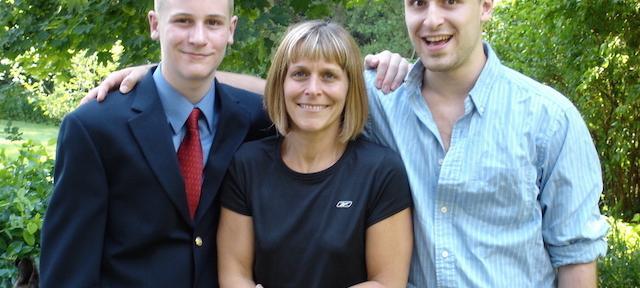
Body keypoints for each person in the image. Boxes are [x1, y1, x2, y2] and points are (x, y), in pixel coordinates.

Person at [87, 0, 610, 287]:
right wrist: (170, 75)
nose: (432, 19)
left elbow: (576, 260)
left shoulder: (548, 118)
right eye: (418, 2)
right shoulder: (386, 98)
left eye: (451, 1)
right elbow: (296, 85)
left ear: (487, 6)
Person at [39, 0, 273, 286]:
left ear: (231, 29)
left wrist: (157, 66)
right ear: (155, 24)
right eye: (183, 21)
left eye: (213, 23)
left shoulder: (255, 120)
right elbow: (68, 270)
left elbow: (308, 96)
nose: (198, 38)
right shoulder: (93, 128)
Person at [217, 20, 413, 288]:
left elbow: (386, 282)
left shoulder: (381, 171)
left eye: (329, 76)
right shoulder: (246, 165)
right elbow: (233, 275)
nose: (313, 89)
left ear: (350, 87)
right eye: (299, 74)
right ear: (280, 82)